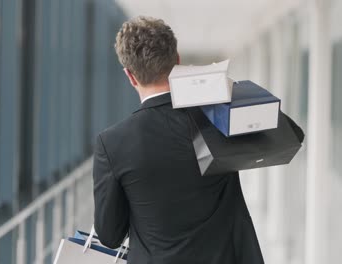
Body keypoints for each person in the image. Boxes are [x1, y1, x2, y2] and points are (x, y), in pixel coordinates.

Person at [92, 16, 265, 264]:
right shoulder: (217, 120)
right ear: (178, 62)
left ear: (130, 75)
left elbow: (110, 236)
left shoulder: (112, 143)